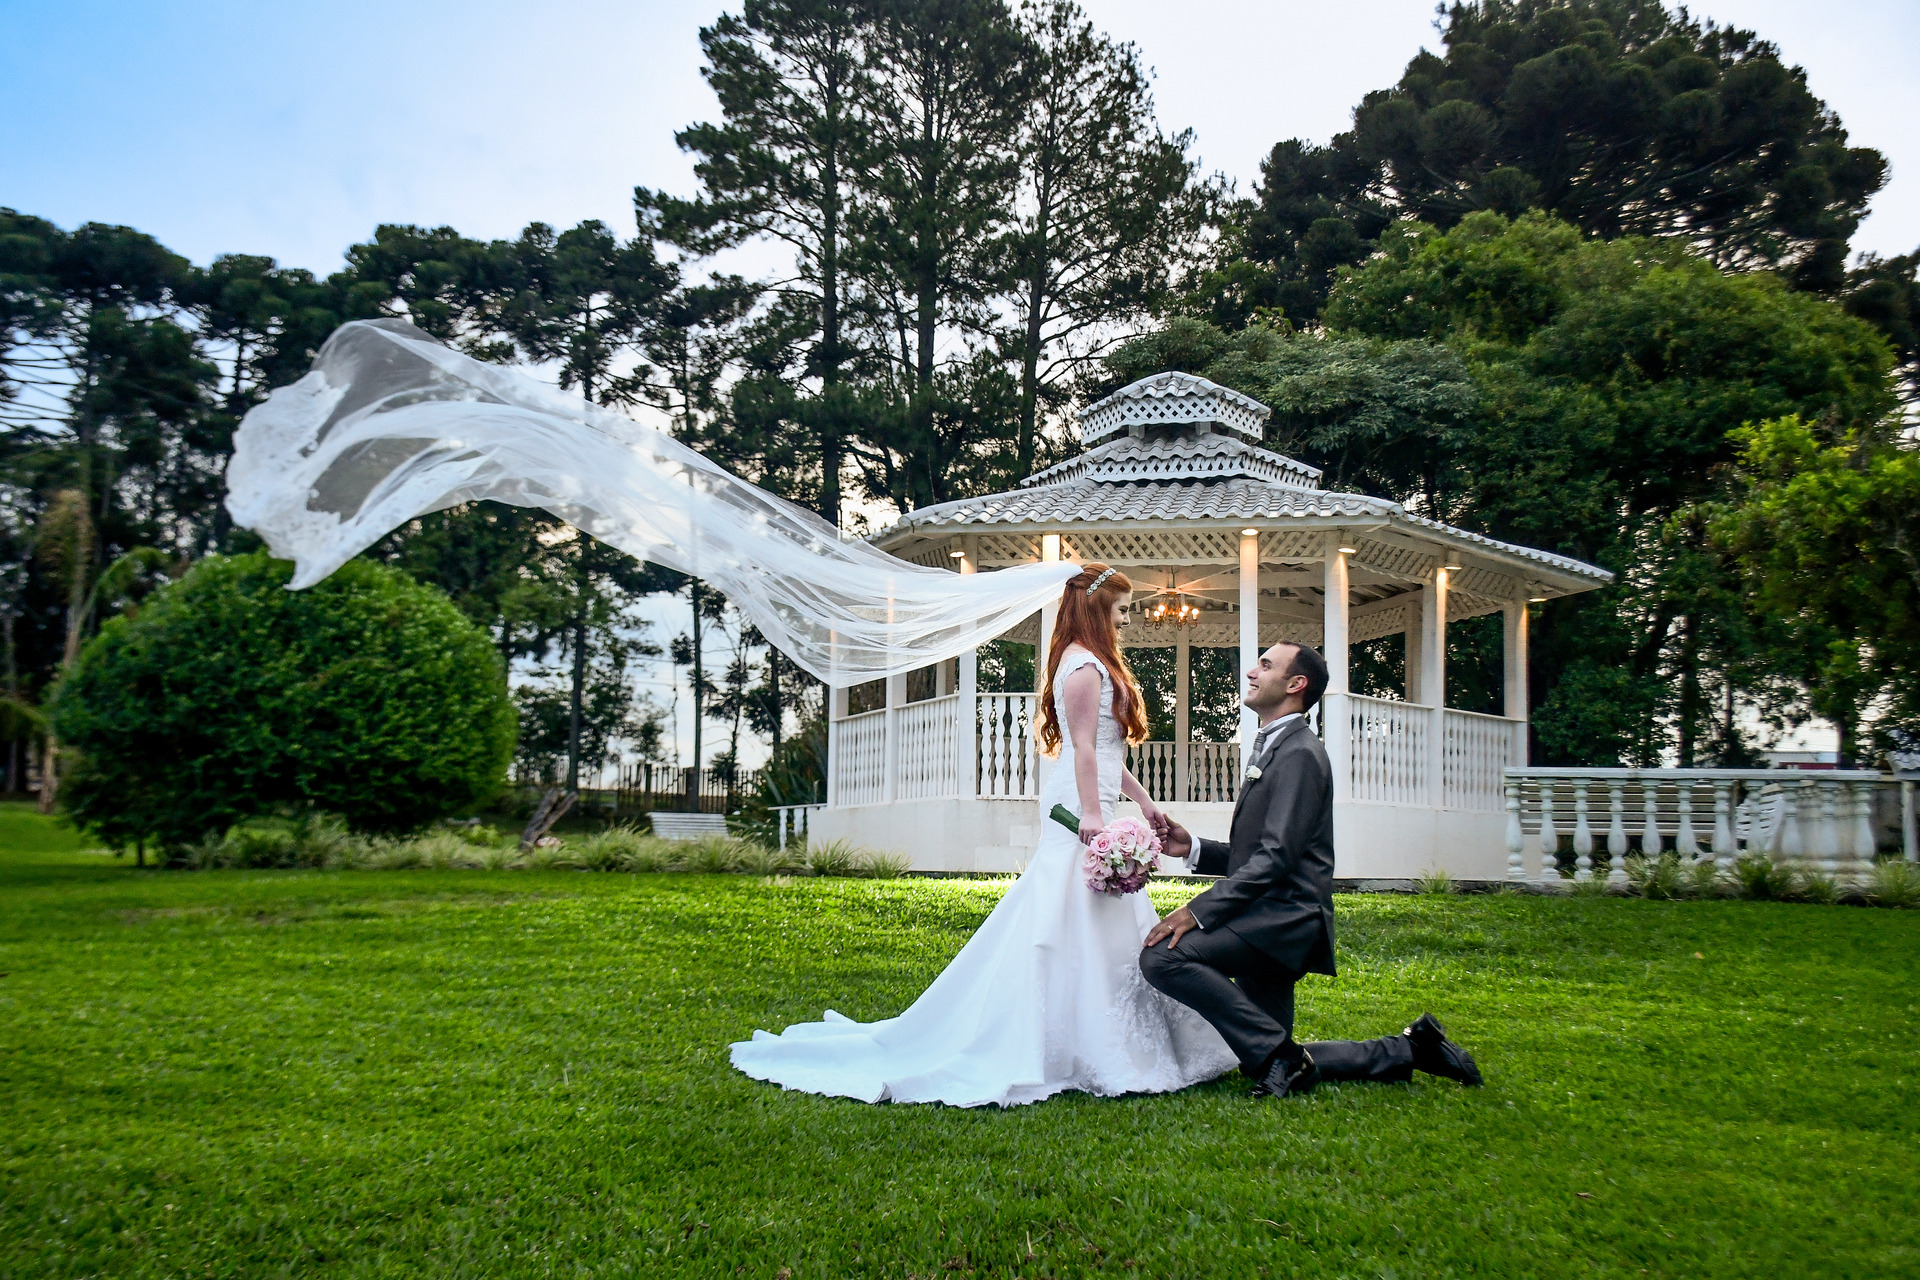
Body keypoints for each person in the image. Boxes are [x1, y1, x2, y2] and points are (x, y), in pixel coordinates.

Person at [729, 564, 1234, 1106]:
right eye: (1120, 610)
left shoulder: (1090, 662)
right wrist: (1092, 814)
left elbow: (1108, 754)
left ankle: (1108, 1031)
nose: (1127, 620)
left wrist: (1142, 801)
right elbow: (1083, 749)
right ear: (1095, 611)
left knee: (1096, 910)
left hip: (1097, 797)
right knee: (1072, 906)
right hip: (1080, 805)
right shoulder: (1084, 667)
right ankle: (1064, 1039)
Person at [1140, 640, 1485, 1099]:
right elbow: (1269, 851)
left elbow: (1277, 858)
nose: (1251, 672)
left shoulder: (1300, 753)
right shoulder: (1278, 747)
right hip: (1267, 916)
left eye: (1265, 665)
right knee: (1263, 1054)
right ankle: (1411, 1049)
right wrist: (1196, 848)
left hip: (1282, 921)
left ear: (1295, 684)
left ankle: (1282, 1058)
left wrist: (1196, 912)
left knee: (1163, 957)